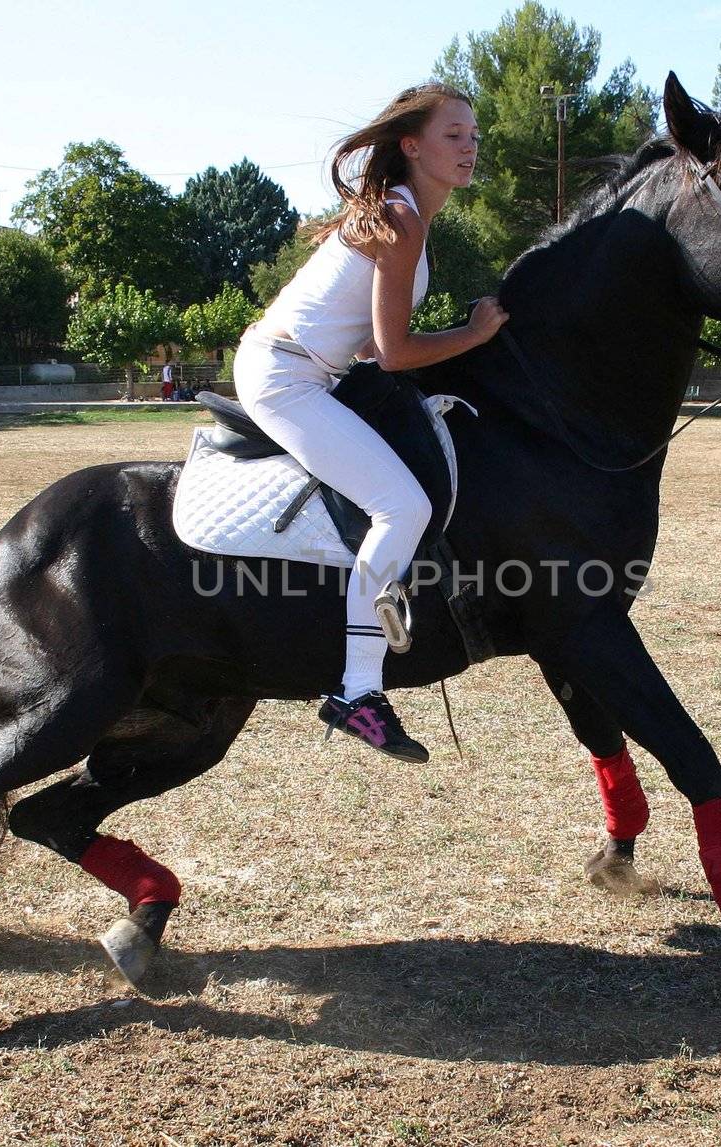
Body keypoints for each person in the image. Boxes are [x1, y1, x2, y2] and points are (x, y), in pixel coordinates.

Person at [232, 82, 508, 764]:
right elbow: (392, 354)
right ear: (411, 145)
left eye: (474, 134)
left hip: (306, 371)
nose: (469, 145)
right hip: (284, 378)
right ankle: (358, 690)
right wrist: (474, 334)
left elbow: (364, 343)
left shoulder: (409, 217)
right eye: (454, 134)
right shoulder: (403, 219)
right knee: (402, 505)